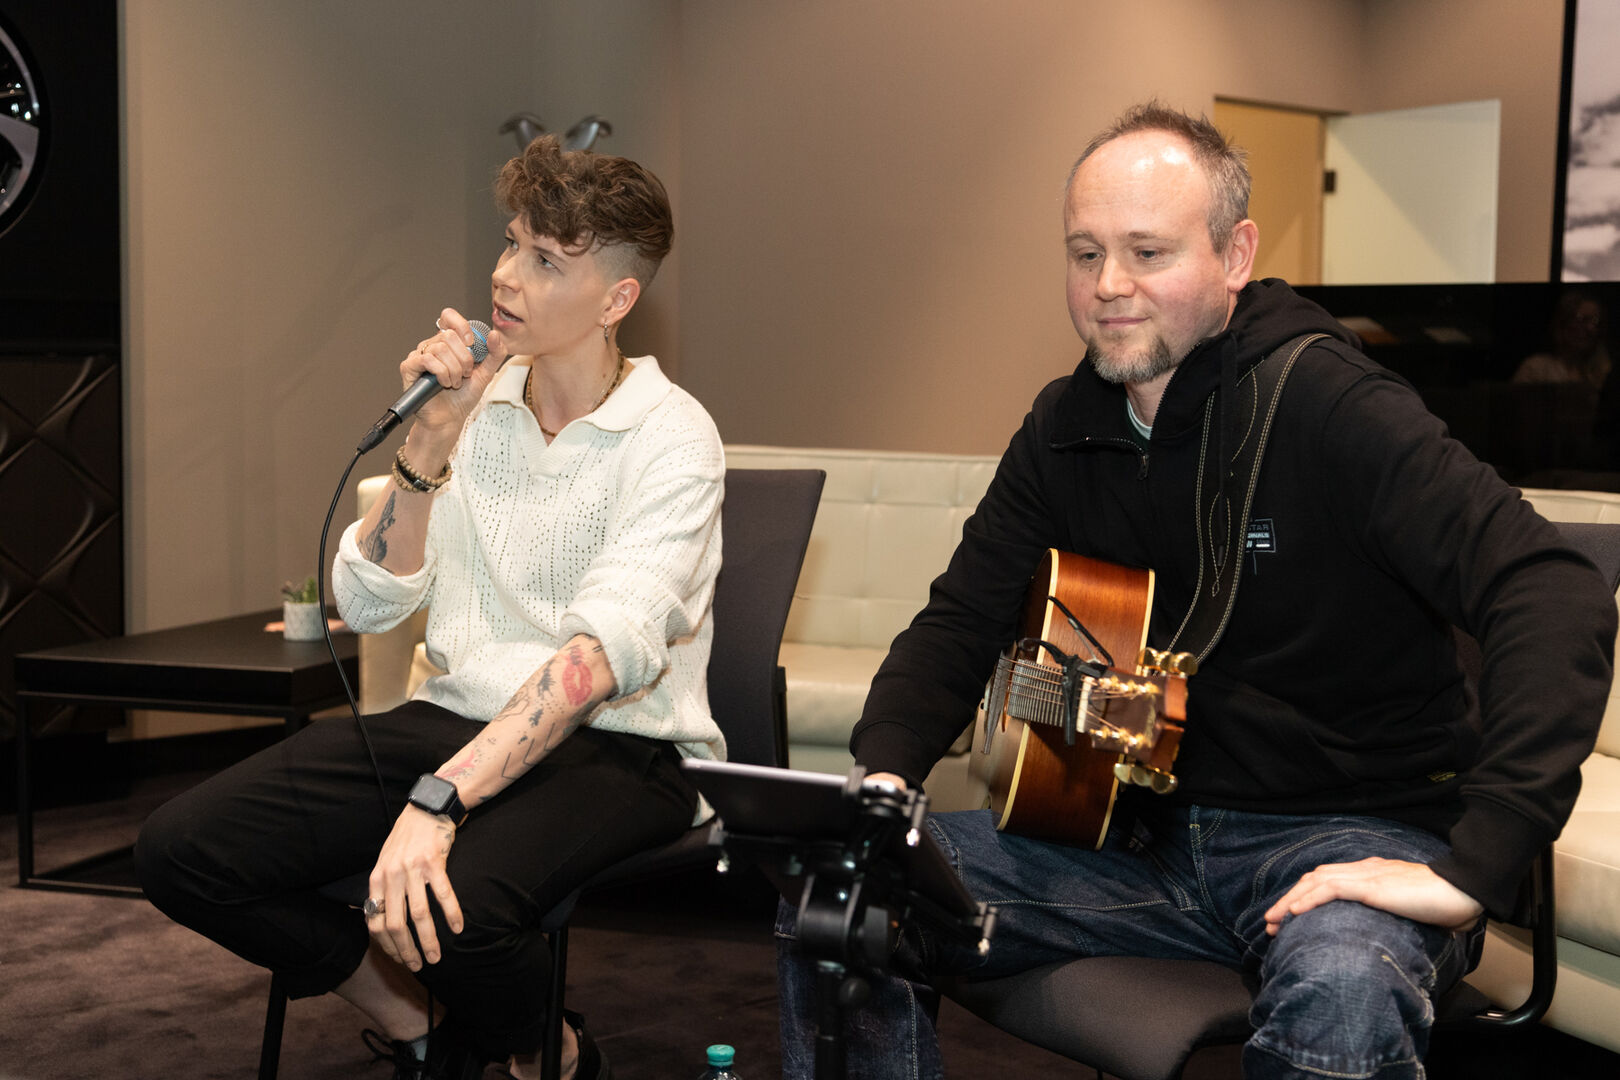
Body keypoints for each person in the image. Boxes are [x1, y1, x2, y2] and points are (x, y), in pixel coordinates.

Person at [776, 103, 1616, 1080]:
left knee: (1342, 990)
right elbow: (961, 621)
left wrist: (1476, 867)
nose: (1109, 285)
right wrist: (880, 783)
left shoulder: (1334, 406)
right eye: (1085, 253)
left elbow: (1550, 587)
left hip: (1344, 838)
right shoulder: (1063, 427)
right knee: (840, 896)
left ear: (1235, 255)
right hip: (1131, 838)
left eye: (1147, 252)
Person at [136, 135, 725, 1080]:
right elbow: (366, 603)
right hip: (453, 715)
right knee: (183, 850)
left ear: (616, 299)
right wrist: (432, 436)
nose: (506, 275)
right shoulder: (477, 409)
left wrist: (439, 799)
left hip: (622, 742)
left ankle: (555, 1056)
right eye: (511, 242)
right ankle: (417, 1022)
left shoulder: (673, 436)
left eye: (546, 260)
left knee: (459, 909)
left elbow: (595, 661)